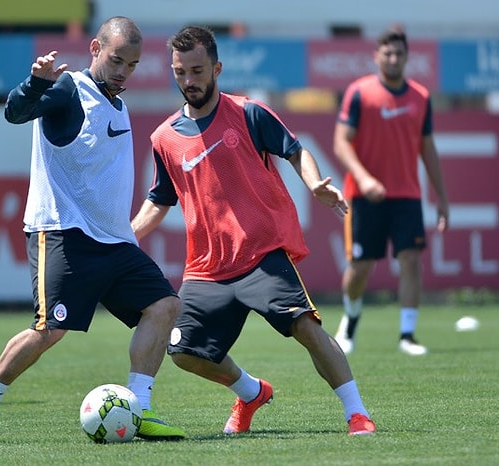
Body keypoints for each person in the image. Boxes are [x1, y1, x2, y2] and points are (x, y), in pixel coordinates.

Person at [131, 25, 376, 436]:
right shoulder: (163, 139)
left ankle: (357, 413)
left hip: (261, 254)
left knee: (306, 327)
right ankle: (250, 392)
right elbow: (160, 200)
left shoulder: (248, 113)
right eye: (180, 72)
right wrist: (127, 234)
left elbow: (296, 151)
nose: (188, 81)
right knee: (183, 351)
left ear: (217, 69)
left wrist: (314, 183)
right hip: (207, 267)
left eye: (196, 70)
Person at [0, 16, 185, 445]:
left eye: (133, 65)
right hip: (63, 232)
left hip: (113, 241)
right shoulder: (69, 89)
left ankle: (138, 408)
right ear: (94, 49)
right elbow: (16, 112)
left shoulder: (116, 103)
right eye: (117, 59)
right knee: (50, 329)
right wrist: (35, 84)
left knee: (164, 306)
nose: (123, 71)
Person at [332, 28, 449, 356]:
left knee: (411, 260)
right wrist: (365, 178)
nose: (394, 59)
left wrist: (442, 197)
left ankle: (407, 335)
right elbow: (341, 143)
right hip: (364, 196)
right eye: (388, 53)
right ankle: (351, 320)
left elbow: (428, 149)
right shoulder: (359, 93)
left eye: (399, 53)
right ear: (377, 56)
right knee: (361, 267)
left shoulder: (420, 97)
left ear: (407, 57)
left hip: (407, 195)